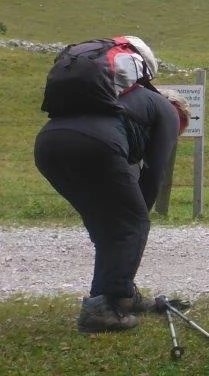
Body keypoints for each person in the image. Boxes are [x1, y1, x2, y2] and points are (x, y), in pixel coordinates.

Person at [34, 38, 191, 334]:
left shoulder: (114, 99)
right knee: (131, 224)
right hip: (96, 145)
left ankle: (122, 296)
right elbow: (153, 175)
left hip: (48, 146)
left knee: (108, 225)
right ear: (178, 111)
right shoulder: (166, 110)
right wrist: (138, 218)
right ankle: (100, 310)